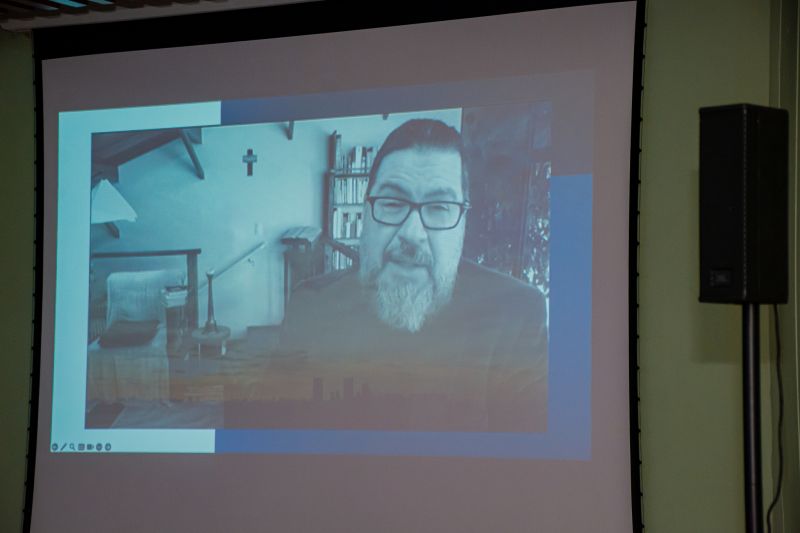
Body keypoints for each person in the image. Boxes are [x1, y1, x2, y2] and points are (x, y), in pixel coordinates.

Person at [275, 119, 548, 433]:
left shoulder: (516, 316)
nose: (412, 233)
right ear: (364, 214)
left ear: (462, 222)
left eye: (439, 207)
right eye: (392, 203)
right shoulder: (310, 306)